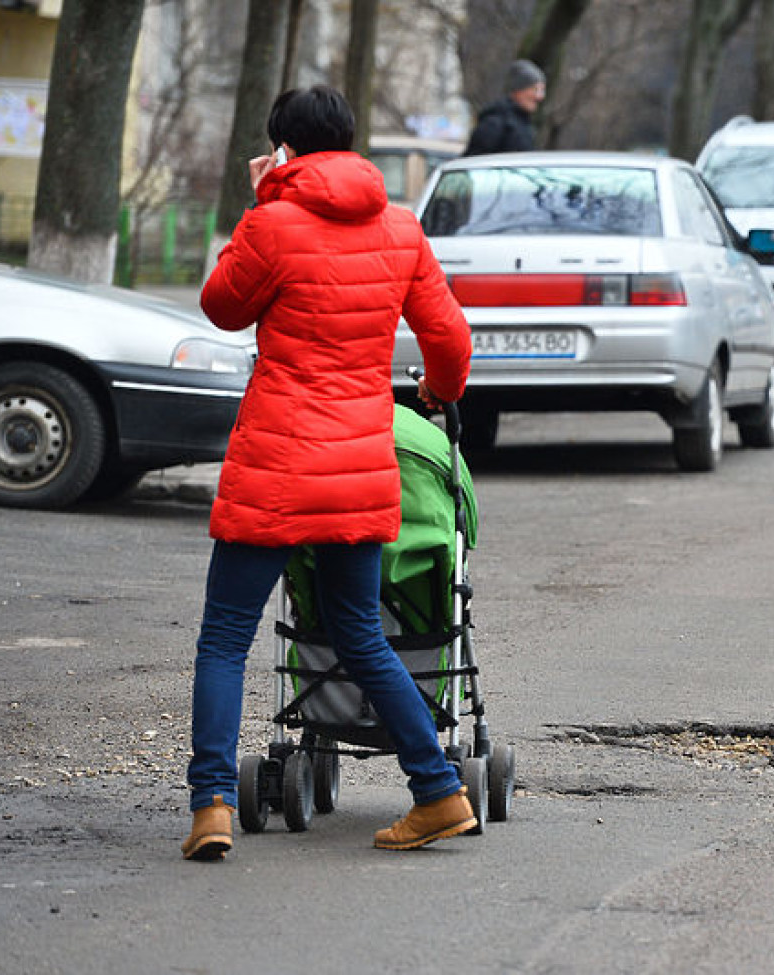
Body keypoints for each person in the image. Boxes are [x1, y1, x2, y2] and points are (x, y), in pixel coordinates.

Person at [182, 85, 475, 861]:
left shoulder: (271, 220)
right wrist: (437, 393)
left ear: (283, 148)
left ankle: (211, 806)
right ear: (350, 142)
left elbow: (221, 306)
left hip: (275, 463)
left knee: (224, 638)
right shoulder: (400, 228)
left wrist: (264, 197)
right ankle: (439, 790)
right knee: (361, 634)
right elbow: (449, 339)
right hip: (358, 464)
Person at [462, 59, 546, 156]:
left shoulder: (523, 124)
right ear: (518, 90)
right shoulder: (494, 123)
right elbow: (473, 162)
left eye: (542, 90)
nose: (540, 96)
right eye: (535, 89)